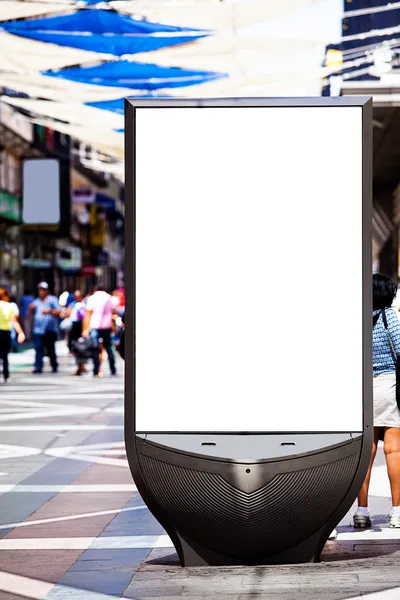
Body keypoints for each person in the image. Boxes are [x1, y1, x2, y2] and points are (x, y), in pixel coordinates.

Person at [354, 274, 400, 529]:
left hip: (364, 388)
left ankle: (361, 511)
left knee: (366, 454)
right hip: (388, 385)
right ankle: (396, 513)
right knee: (394, 451)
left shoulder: (359, 318)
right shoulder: (388, 316)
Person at [82, 284, 116, 377]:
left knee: (95, 349)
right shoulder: (110, 298)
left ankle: (95, 370)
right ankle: (113, 369)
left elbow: (88, 314)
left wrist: (85, 329)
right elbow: (114, 313)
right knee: (109, 348)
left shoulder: (92, 298)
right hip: (107, 326)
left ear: (95, 289)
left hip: (95, 326)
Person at [29, 282, 61, 374]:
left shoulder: (52, 300)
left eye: (43, 289)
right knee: (38, 349)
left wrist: (50, 311)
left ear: (47, 290)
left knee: (51, 349)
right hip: (38, 330)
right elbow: (31, 314)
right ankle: (38, 366)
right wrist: (30, 309)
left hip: (50, 329)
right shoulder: (36, 301)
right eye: (40, 289)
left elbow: (59, 312)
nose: (41, 291)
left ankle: (54, 365)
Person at [0, 288, 25, 382]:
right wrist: (21, 332)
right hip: (5, 332)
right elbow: (14, 321)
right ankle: (6, 374)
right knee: (5, 354)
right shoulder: (8, 306)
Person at [64, 290, 86, 376]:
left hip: (80, 327)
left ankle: (81, 366)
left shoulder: (83, 304)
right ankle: (80, 366)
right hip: (75, 328)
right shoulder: (75, 304)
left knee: (82, 347)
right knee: (76, 347)